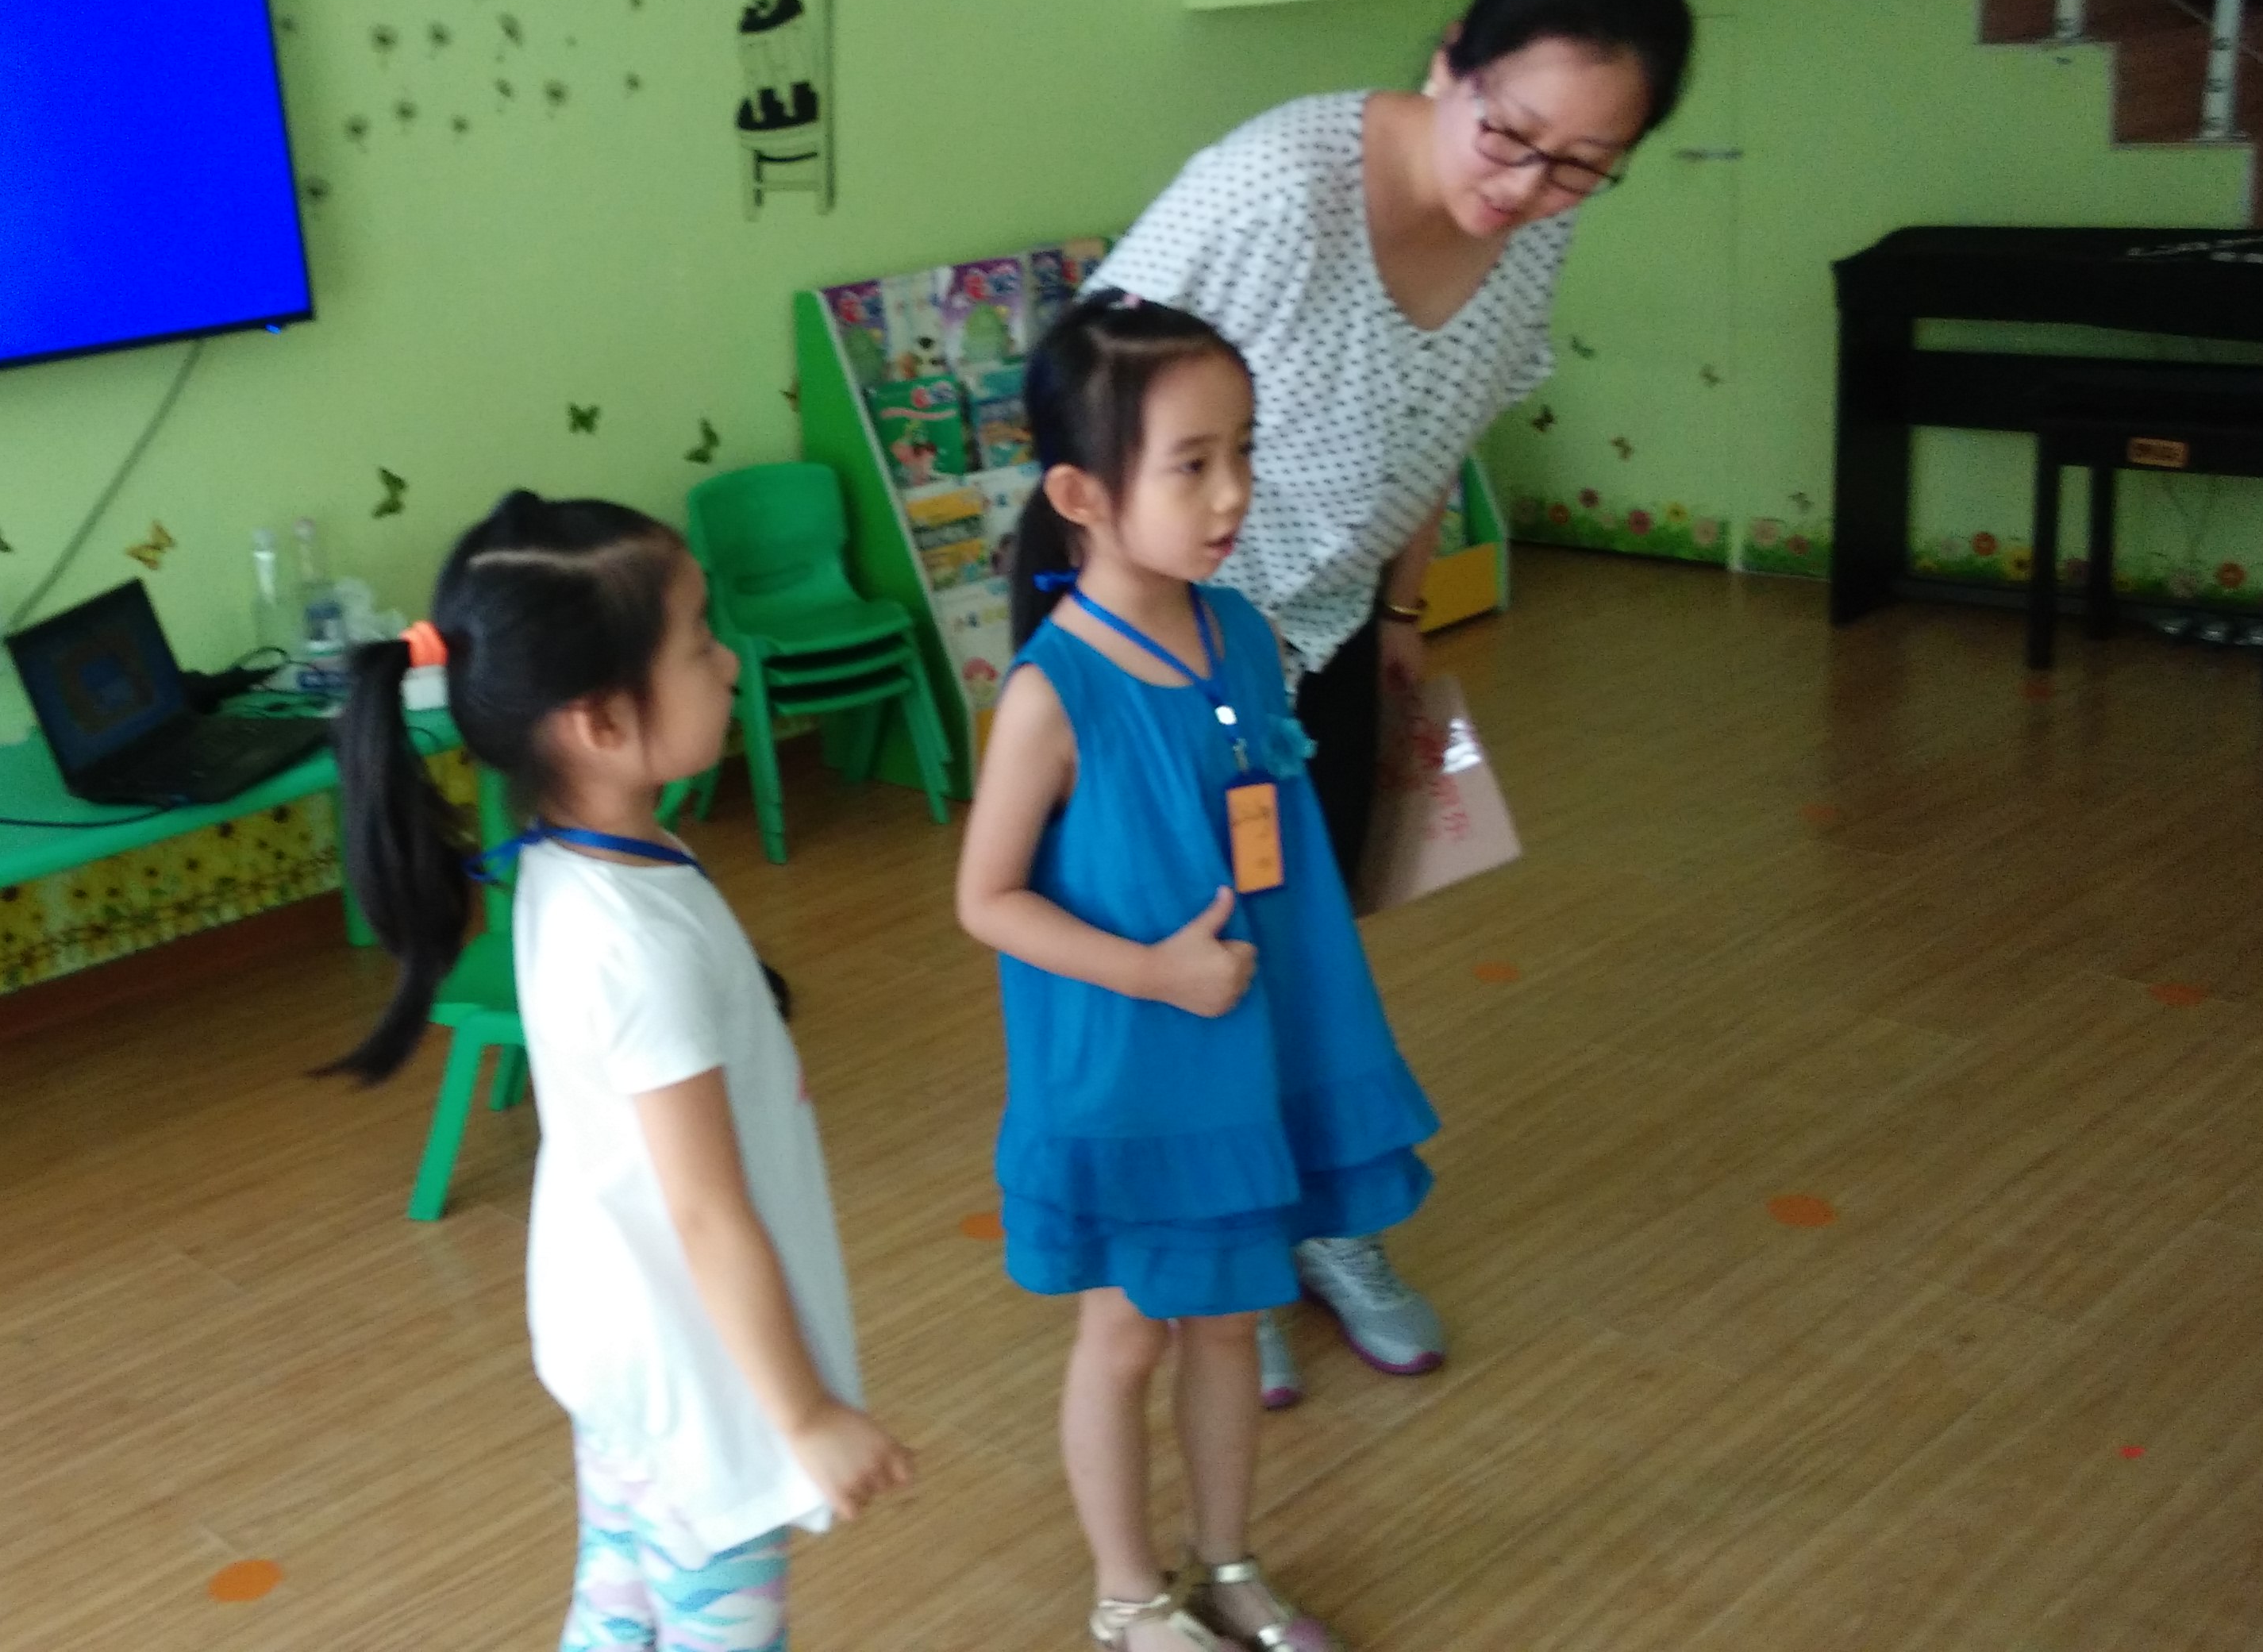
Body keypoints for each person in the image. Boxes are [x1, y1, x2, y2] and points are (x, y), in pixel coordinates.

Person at [1086, 0, 1696, 1404]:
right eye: (1511, 137)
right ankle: (1214, 1256)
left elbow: (1441, 429)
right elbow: (1085, 391)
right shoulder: (1275, 187)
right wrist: (1123, 663)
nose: (1531, 187)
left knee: (1315, 936)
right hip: (1171, 640)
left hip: (1335, 623)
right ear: (1448, 63)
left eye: (1585, 168)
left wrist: (1405, 610)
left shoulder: (1531, 228)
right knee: (1194, 950)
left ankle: (1318, 1219)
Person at [325, 492, 913, 1650]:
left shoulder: (577, 862)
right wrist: (803, 1415)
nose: (730, 661)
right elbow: (706, 1213)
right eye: (699, 641)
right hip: (698, 1369)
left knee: (622, 1598)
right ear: (598, 720)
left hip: (621, 1338)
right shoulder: (636, 943)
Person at [956, 295, 1435, 1652]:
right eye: (1191, 464)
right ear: (1080, 495)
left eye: (1243, 451)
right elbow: (985, 900)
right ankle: (1128, 1600)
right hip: (1130, 1073)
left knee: (1230, 1322)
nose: (1233, 493)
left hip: (1247, 1047)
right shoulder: (1051, 694)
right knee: (1124, 1340)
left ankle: (1229, 1567)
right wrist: (1153, 973)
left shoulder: (1244, 634)